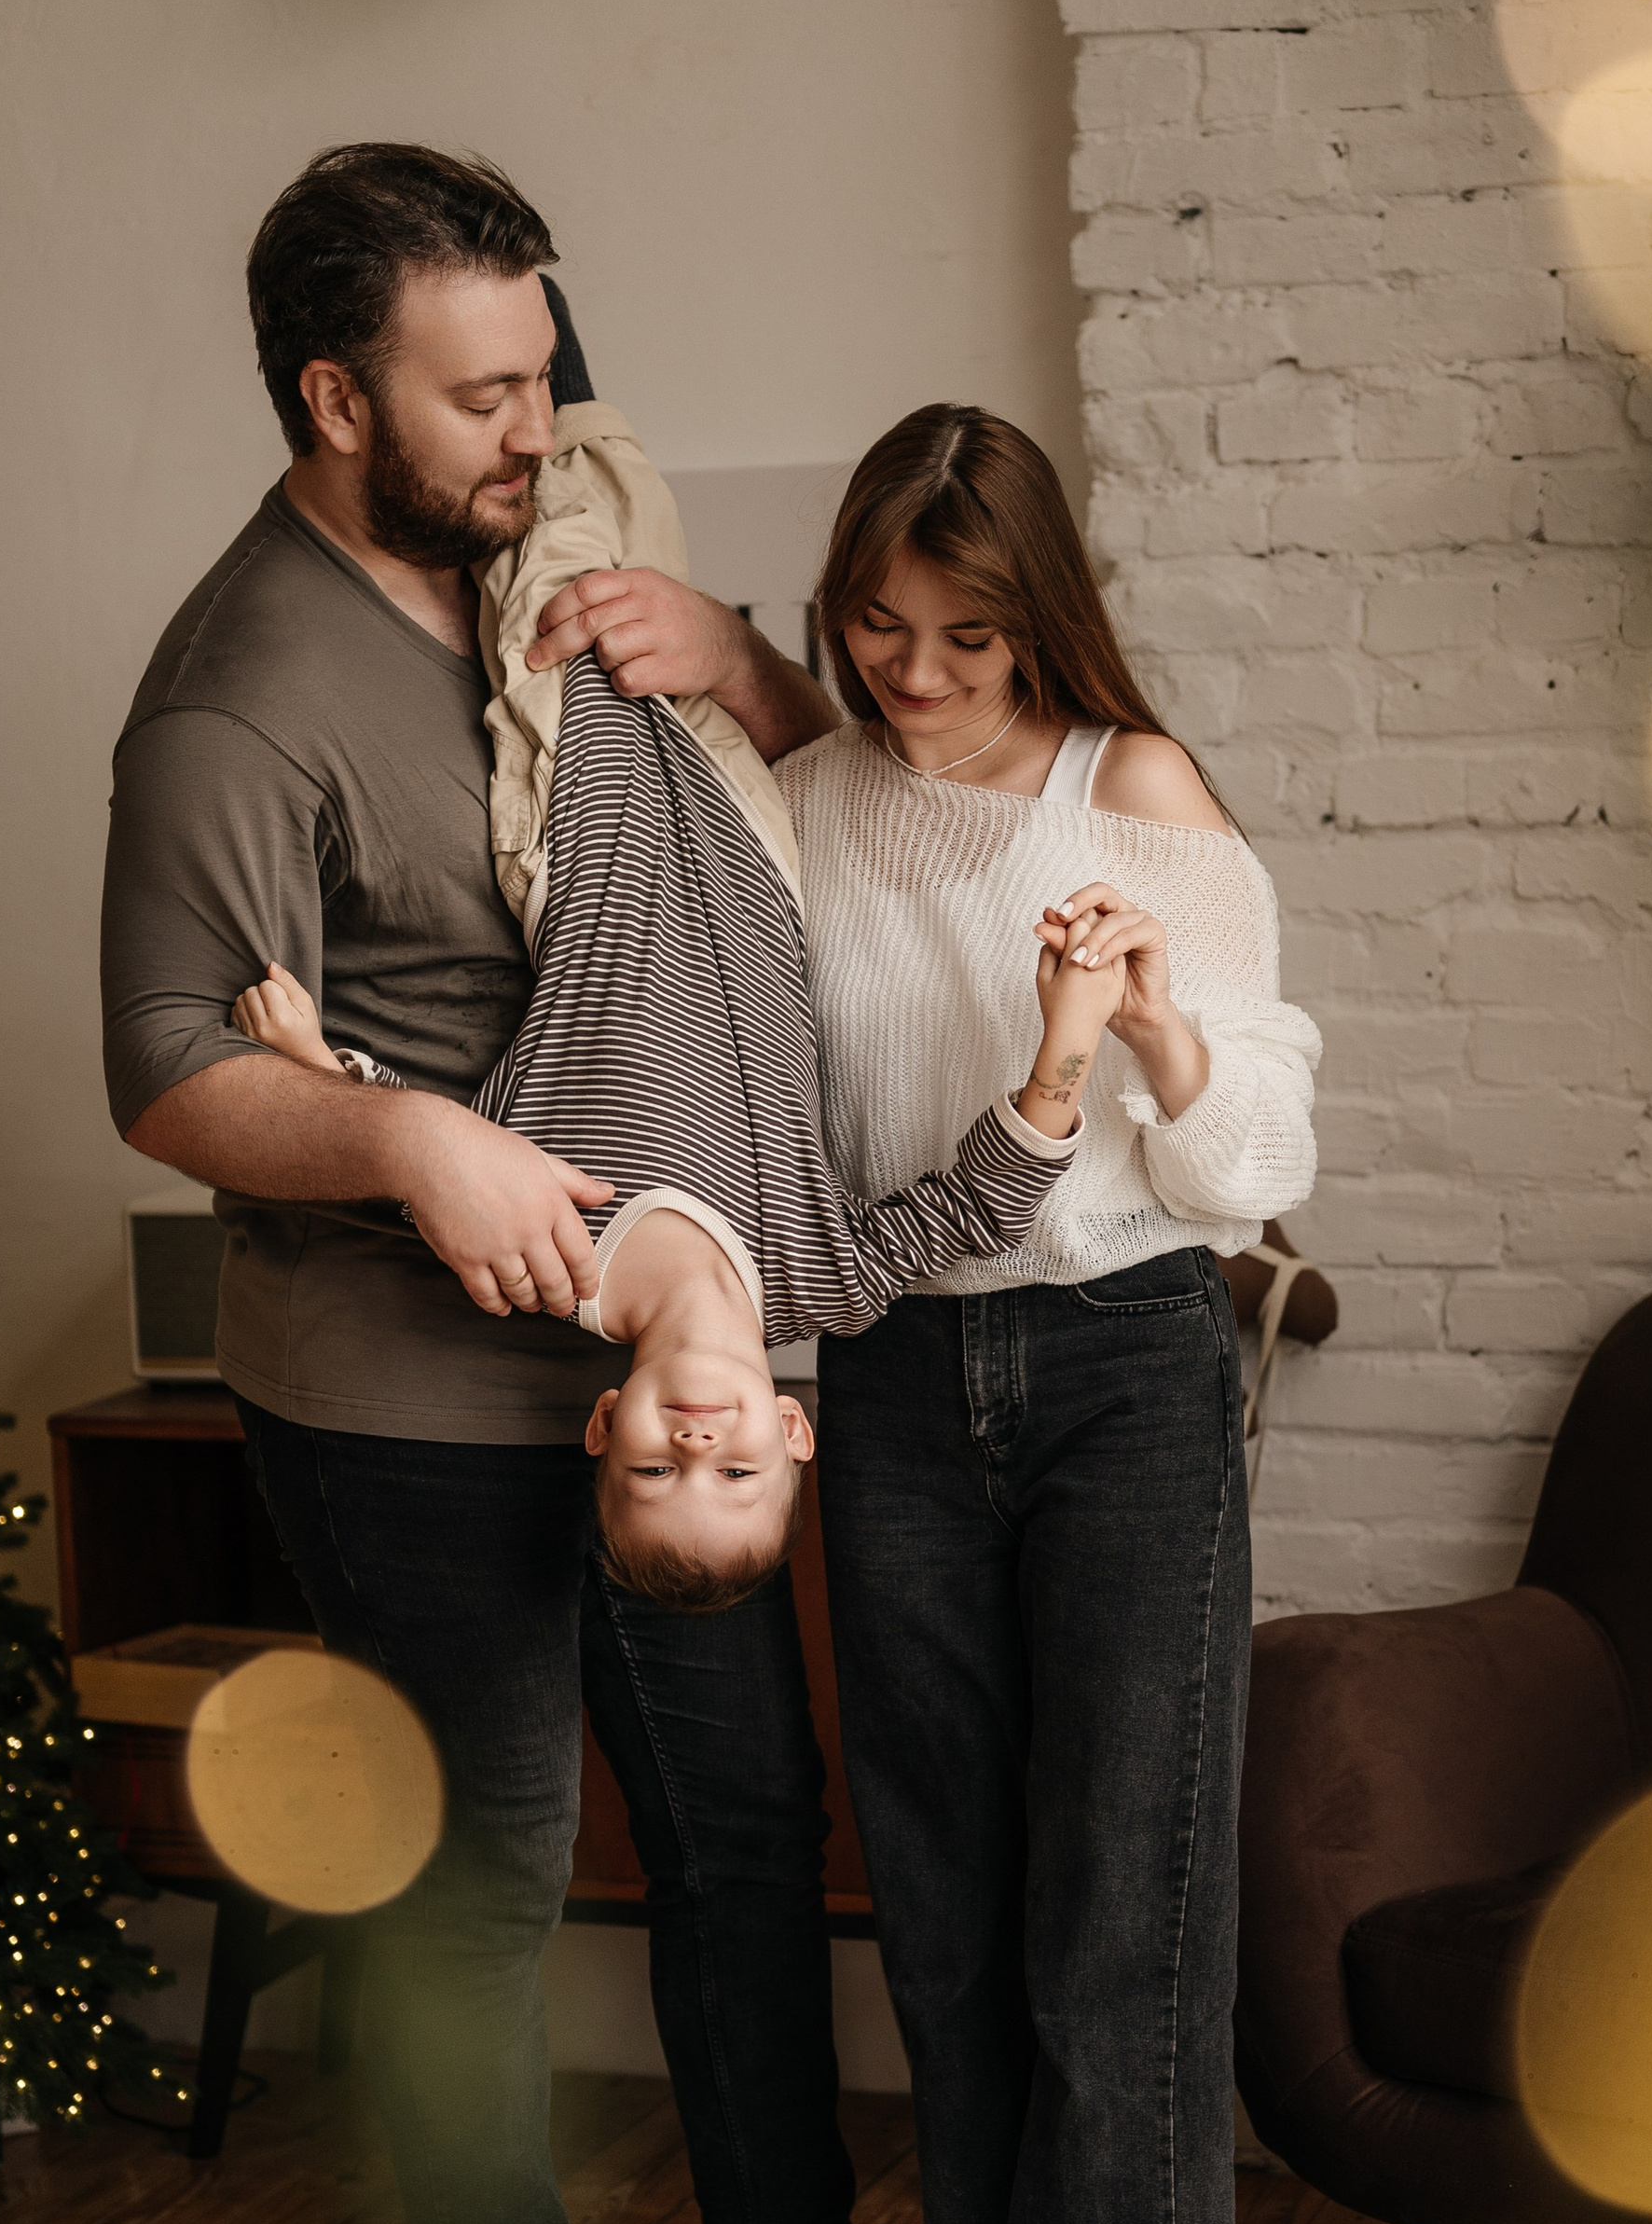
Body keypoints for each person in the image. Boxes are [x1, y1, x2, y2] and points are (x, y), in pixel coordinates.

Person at [99, 144, 960, 2224]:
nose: (538, 417)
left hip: (665, 1363)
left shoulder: (549, 558)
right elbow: (162, 1063)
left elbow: (742, 853)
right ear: (331, 394)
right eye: (483, 390)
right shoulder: (238, 694)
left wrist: (739, 661)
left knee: (744, 1841)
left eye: (547, 363)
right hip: (405, 1404)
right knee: (481, 1897)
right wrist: (400, 1141)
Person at [770, 405, 1321, 2224]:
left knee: (1121, 1923)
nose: (917, 674)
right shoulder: (797, 813)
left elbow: (1256, 1159)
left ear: (1038, 618)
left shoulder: (1139, 793)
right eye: (878, 629)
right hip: (894, 1374)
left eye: (967, 636)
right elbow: (792, 1131)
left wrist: (1165, 1027)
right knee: (948, 1922)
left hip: (1122, 1366)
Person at [227, 635, 1118, 1605]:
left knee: (555, 541)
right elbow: (981, 1208)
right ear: (791, 1432)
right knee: (625, 547)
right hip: (739, 809)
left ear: (605, 1424)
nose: (697, 1446)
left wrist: (323, 1067)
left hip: (582, 779)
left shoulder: (548, 1257)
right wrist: (1072, 1031)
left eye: (655, 1471)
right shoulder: (828, 1279)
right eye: (736, 1474)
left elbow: (428, 1159)